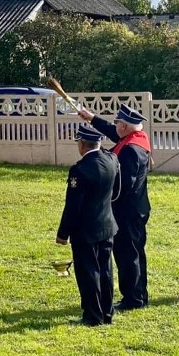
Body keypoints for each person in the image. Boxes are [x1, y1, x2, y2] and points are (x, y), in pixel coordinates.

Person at [78, 103, 151, 310]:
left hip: (127, 210)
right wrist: (91, 118)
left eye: (118, 123)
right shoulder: (136, 138)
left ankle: (133, 298)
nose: (115, 126)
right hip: (136, 208)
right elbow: (112, 132)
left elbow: (121, 186)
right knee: (134, 252)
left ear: (124, 127)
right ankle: (138, 294)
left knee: (128, 254)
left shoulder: (130, 151)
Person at [56, 125, 119, 326]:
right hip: (107, 224)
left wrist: (62, 234)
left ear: (82, 144)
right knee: (106, 270)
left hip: (85, 230)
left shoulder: (80, 170)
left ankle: (93, 315)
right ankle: (107, 313)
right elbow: (116, 191)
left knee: (88, 273)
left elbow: (73, 206)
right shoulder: (112, 159)